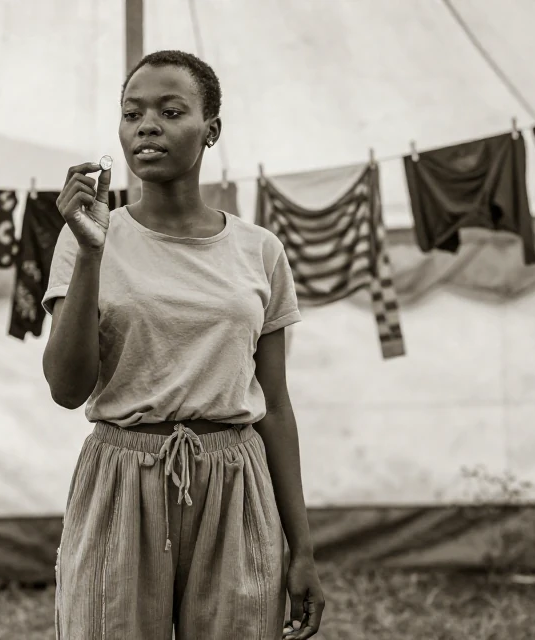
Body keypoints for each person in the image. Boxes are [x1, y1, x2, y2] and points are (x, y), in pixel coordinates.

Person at [41, 50, 325, 639]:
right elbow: (67, 389)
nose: (147, 126)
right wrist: (92, 253)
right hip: (121, 478)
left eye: (171, 112)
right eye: (133, 113)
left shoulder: (259, 251)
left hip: (235, 483)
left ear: (210, 130)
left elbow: (275, 405)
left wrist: (302, 548)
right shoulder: (87, 239)